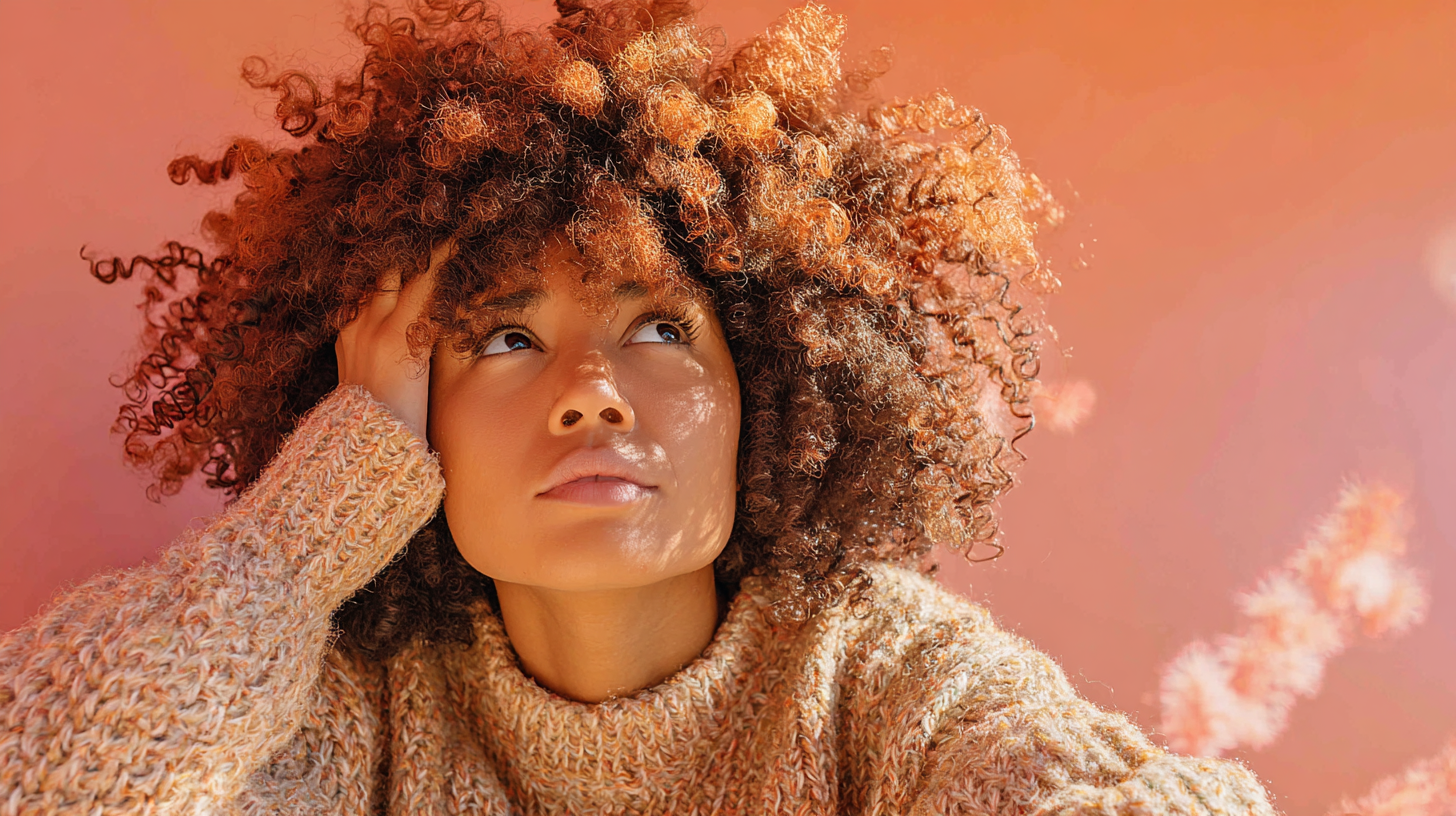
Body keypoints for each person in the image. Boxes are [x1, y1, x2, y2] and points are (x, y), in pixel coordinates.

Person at [0, 0, 1277, 813]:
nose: (589, 394)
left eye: (659, 326)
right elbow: (52, 786)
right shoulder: (355, 712)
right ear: (402, 417)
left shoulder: (878, 671)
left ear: (763, 394)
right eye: (505, 337)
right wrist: (303, 532)